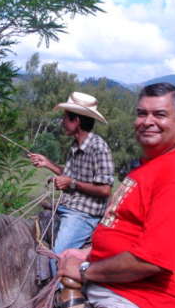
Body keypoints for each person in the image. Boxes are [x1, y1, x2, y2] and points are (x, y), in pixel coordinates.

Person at [58, 83, 175, 308]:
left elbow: (148, 262)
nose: (147, 121)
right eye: (142, 114)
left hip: (138, 297)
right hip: (113, 284)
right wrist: (88, 253)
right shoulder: (149, 165)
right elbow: (128, 230)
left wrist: (85, 270)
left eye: (159, 114)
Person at [28, 91, 115, 275]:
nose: (62, 122)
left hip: (83, 215)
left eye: (65, 118)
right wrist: (47, 164)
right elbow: (68, 175)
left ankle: (58, 297)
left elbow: (105, 190)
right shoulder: (75, 146)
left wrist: (72, 184)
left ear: (76, 121)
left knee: (57, 258)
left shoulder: (99, 148)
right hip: (68, 206)